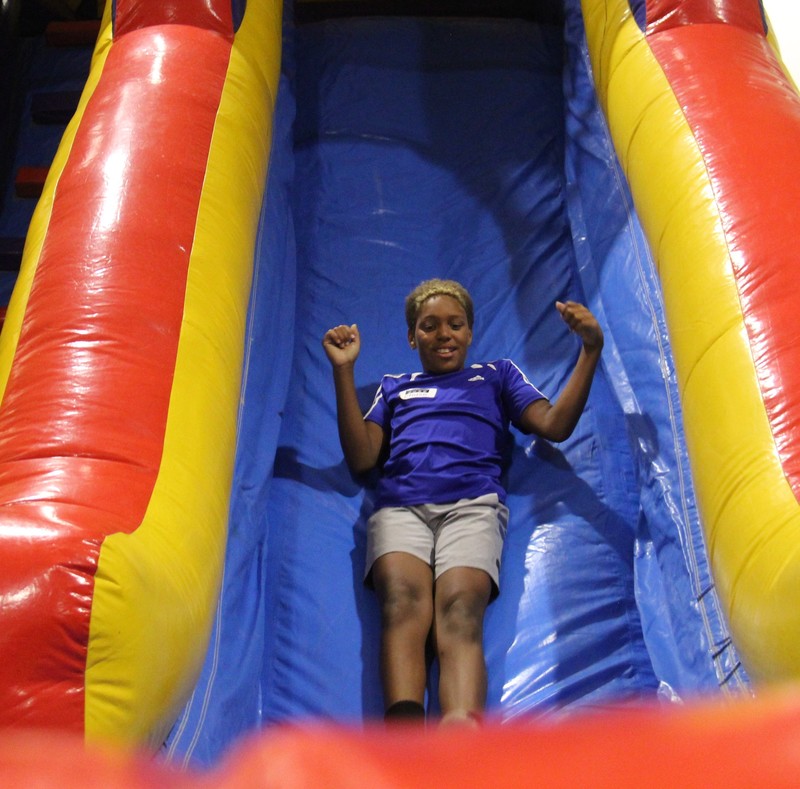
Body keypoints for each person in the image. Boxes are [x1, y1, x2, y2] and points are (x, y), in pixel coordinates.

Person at [322, 279, 603, 727]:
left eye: (455, 324)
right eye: (429, 327)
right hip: (402, 508)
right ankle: (407, 742)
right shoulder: (396, 388)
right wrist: (343, 371)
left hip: (472, 506)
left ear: (471, 332)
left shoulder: (497, 377)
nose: (444, 334)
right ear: (413, 337)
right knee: (401, 602)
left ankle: (461, 735)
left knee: (459, 607)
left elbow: (554, 424)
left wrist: (589, 351)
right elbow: (362, 458)